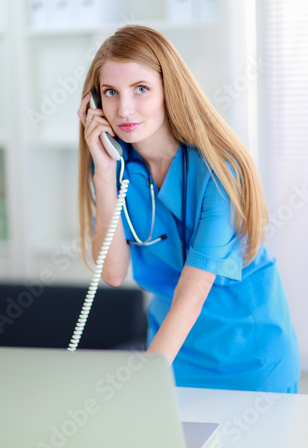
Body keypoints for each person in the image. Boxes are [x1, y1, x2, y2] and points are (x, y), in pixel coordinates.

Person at [76, 24, 300, 393]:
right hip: (175, 350)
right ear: (95, 104)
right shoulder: (116, 165)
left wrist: (142, 384)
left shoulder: (218, 170)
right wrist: (103, 172)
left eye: (141, 89)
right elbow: (113, 273)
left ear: (169, 91)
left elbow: (192, 294)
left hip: (249, 353)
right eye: (110, 92)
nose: (124, 108)